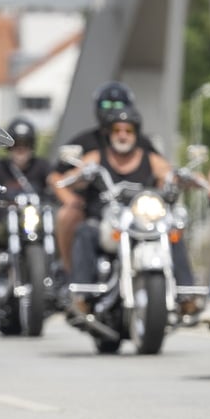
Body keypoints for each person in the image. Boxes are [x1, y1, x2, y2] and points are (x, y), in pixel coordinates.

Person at [55, 105, 197, 315]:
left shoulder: (150, 158)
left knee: (172, 231)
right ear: (108, 133)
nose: (122, 135)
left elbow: (169, 174)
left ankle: (187, 293)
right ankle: (81, 294)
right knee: (85, 230)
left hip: (142, 220)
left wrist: (184, 178)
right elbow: (71, 178)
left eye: (128, 130)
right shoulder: (96, 157)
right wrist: (79, 177)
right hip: (107, 222)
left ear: (136, 133)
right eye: (117, 130)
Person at [48, 81, 158, 277]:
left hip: (136, 211)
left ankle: (181, 286)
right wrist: (70, 197)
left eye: (118, 105)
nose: (123, 136)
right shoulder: (86, 143)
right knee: (68, 216)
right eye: (107, 105)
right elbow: (57, 175)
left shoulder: (142, 143)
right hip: (93, 208)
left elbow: (163, 168)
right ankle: (71, 274)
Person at [0, 118, 52, 297]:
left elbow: (56, 184)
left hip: (37, 224)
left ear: (32, 145)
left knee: (64, 227)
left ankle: (58, 277)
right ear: (8, 147)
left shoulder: (42, 166)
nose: (20, 149)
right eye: (16, 145)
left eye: (25, 144)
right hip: (4, 224)